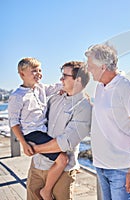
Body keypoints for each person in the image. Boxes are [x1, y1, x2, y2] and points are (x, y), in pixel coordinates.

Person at [85, 44, 130, 200]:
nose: (88, 69)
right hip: (101, 165)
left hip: (121, 169)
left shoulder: (128, 86)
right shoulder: (100, 87)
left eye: (91, 66)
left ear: (103, 66)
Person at [26, 61, 92, 200]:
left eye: (64, 76)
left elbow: (65, 143)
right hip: (37, 166)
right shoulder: (55, 99)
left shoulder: (85, 108)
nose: (60, 79)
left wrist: (34, 149)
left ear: (78, 79)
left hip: (63, 172)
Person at [8, 57, 68, 200]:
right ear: (22, 74)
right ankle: (46, 191)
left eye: (40, 70)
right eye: (34, 71)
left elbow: (56, 87)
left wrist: (66, 87)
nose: (38, 73)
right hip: (32, 134)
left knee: (62, 153)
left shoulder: (40, 88)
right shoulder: (17, 96)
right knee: (63, 159)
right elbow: (13, 122)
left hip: (43, 131)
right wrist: (23, 143)